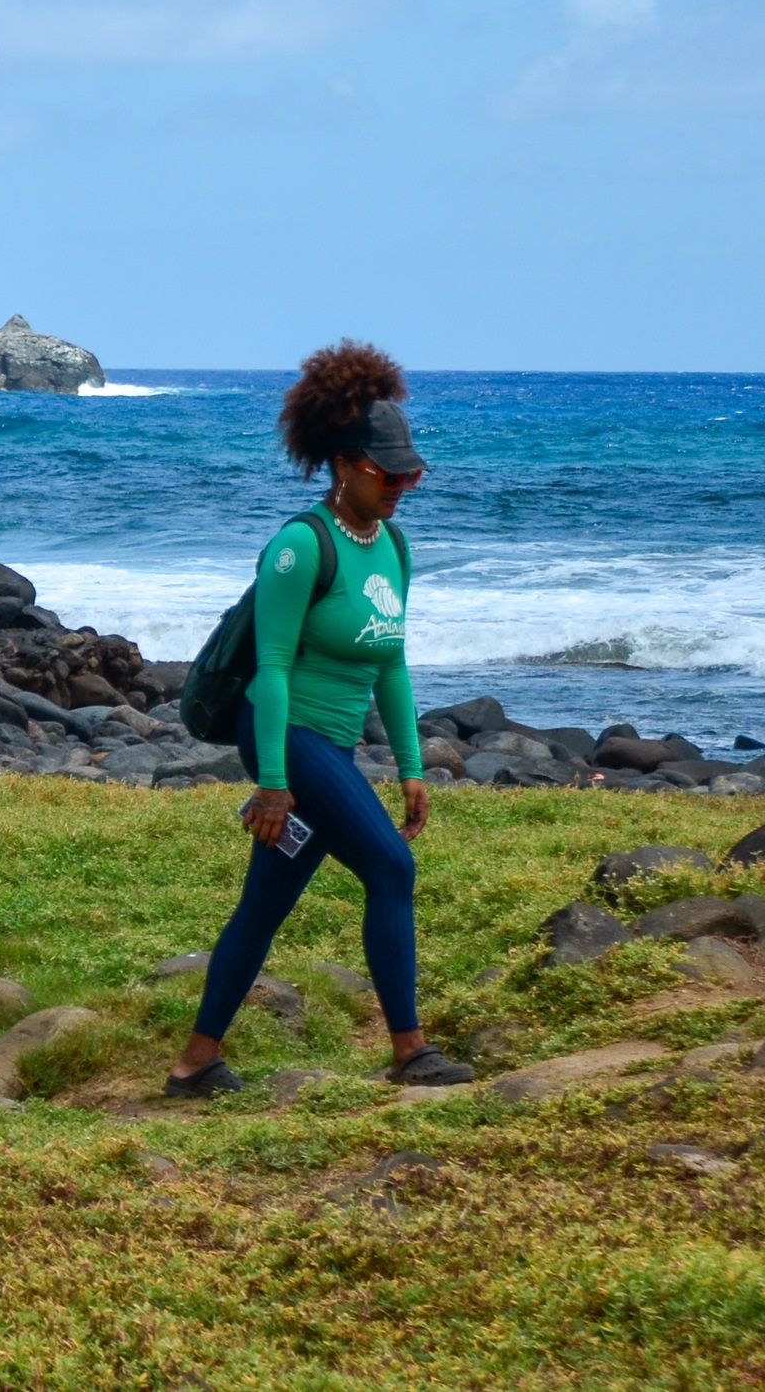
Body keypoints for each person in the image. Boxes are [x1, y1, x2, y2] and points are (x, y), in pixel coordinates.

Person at [167, 341, 468, 1097]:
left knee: (266, 902)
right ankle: (410, 1051)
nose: (402, 485)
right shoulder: (301, 548)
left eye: (412, 473)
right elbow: (269, 672)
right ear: (343, 462)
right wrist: (272, 782)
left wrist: (410, 767)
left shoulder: (392, 544)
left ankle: (194, 1064)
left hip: (329, 742)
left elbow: (391, 664)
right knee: (391, 867)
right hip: (284, 733)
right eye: (387, 473)